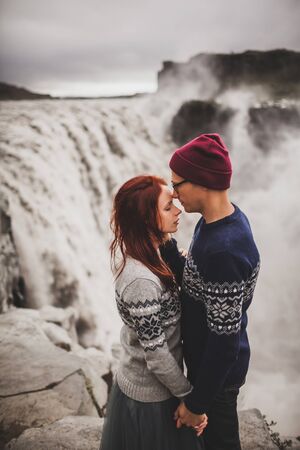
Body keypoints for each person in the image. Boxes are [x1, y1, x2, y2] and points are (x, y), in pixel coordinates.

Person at [160, 133, 260, 450]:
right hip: (206, 366)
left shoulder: (224, 252)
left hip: (216, 378)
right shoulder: (217, 221)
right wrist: (162, 239)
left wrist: (196, 404)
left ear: (202, 181)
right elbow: (195, 273)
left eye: (177, 185)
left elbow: (224, 344)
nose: (174, 195)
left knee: (221, 443)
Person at [100, 175, 206, 450]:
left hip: (159, 387)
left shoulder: (151, 252)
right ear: (146, 220)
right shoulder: (141, 280)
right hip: (150, 398)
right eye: (168, 206)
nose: (178, 210)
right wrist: (189, 399)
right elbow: (157, 353)